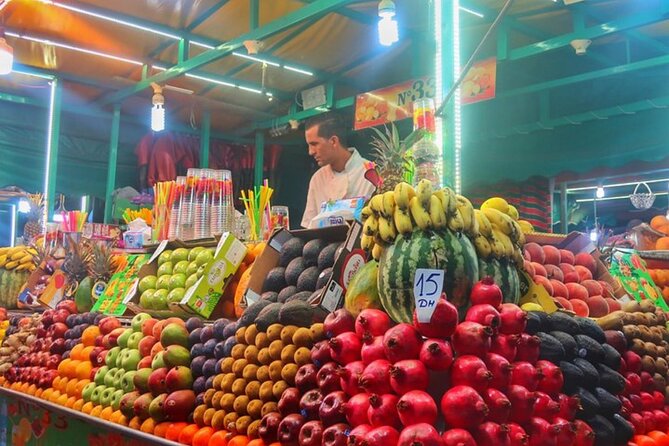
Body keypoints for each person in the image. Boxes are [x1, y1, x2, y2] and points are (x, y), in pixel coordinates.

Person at [301, 113, 376, 228]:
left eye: (314, 144)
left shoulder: (370, 173)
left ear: (334, 141)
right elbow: (309, 226)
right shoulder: (317, 179)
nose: (311, 152)